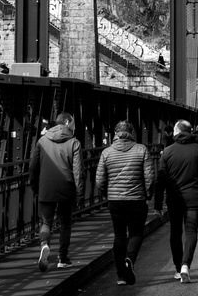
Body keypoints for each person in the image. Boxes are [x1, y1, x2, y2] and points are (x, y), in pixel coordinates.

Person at [95, 120, 154, 285]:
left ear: (115, 133)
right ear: (132, 133)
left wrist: (106, 194)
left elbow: (100, 180)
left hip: (115, 200)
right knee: (136, 233)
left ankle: (121, 275)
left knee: (119, 235)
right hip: (136, 200)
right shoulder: (141, 150)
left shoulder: (107, 152)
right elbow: (149, 177)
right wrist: (148, 194)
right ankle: (130, 259)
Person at [154, 119, 198, 283]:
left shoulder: (167, 152)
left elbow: (160, 180)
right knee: (191, 231)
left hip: (174, 198)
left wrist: (158, 205)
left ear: (178, 132)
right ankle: (186, 264)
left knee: (175, 232)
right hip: (194, 197)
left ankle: (178, 267)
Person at [29, 112, 84, 272]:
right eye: (73, 123)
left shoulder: (42, 140)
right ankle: (63, 258)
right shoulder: (74, 142)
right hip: (66, 188)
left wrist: (35, 186)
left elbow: (33, 167)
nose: (74, 127)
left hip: (46, 188)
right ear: (67, 122)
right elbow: (78, 171)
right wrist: (79, 193)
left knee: (46, 222)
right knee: (65, 223)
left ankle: (44, 244)